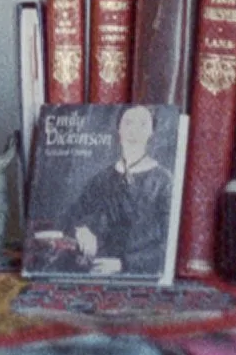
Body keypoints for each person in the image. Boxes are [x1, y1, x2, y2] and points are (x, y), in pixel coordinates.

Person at [68, 103, 172, 276]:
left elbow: (168, 244)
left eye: (142, 125)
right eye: (128, 123)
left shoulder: (164, 181)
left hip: (140, 274)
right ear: (119, 129)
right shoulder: (102, 178)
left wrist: (124, 264)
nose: (134, 131)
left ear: (151, 132)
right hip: (96, 268)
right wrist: (81, 230)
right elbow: (71, 215)